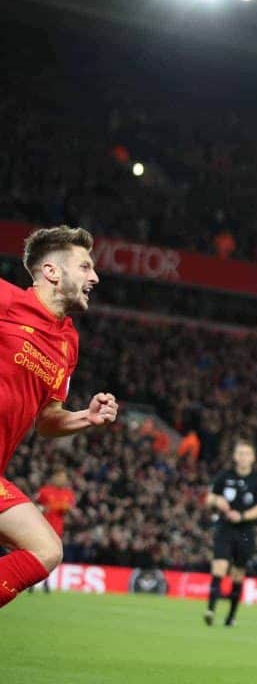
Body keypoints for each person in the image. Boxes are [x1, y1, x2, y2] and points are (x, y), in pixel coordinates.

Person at [0, 226, 119, 608]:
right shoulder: (6, 300)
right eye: (85, 267)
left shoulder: (68, 342)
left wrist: (86, 417)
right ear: (52, 271)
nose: (94, 277)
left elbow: (47, 420)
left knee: (46, 550)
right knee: (45, 547)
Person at [204, 439, 257, 627]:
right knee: (219, 567)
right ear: (234, 456)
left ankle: (231, 616)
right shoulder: (224, 476)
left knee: (238, 574)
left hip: (245, 531)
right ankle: (210, 610)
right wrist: (217, 501)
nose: (243, 457)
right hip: (224, 528)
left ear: (253, 458)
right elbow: (209, 498)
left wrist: (241, 516)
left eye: (247, 454)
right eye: (240, 453)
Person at [33, 469, 75, 593]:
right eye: (61, 477)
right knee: (38, 554)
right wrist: (41, 509)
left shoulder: (68, 493)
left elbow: (69, 508)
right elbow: (33, 505)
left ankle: (45, 582)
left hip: (57, 530)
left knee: (53, 557)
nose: (64, 480)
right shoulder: (44, 491)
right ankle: (32, 583)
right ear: (54, 477)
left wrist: (66, 509)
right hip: (42, 528)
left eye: (65, 477)